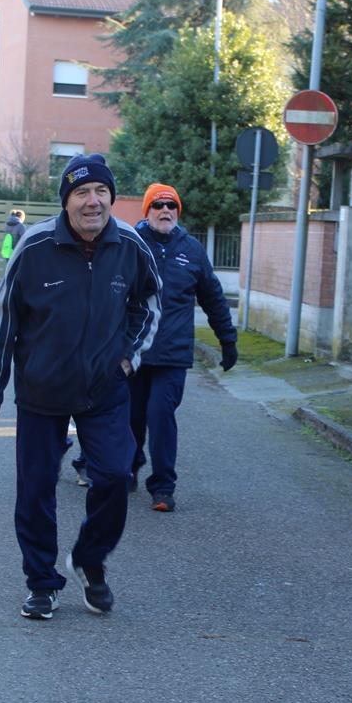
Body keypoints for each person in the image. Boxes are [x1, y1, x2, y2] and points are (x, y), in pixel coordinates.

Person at [0, 153, 162, 620]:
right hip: (42, 390)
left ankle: (89, 560)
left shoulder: (130, 245)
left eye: (101, 191)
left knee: (115, 475)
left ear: (111, 197)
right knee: (36, 488)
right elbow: (2, 320)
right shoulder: (35, 246)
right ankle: (42, 582)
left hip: (104, 388)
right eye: (81, 192)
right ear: (66, 201)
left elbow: (150, 304)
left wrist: (128, 358)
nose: (92, 201)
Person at [119, 182, 238, 512]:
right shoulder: (131, 244)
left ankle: (162, 487)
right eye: (158, 205)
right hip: (135, 353)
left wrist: (227, 340)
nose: (165, 211)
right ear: (147, 211)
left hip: (173, 354)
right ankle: (129, 468)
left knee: (160, 415)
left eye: (171, 206)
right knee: (131, 416)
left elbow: (213, 297)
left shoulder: (192, 250)